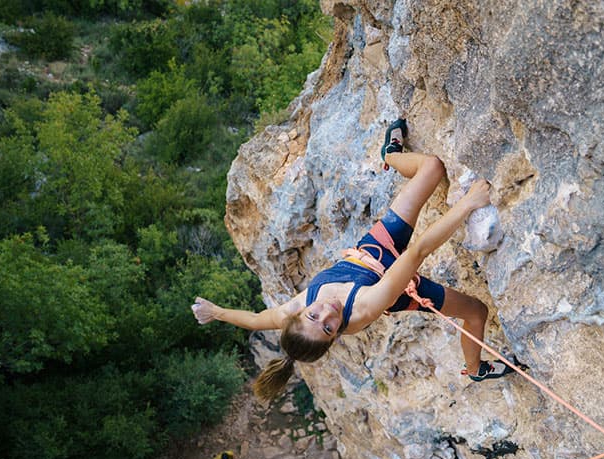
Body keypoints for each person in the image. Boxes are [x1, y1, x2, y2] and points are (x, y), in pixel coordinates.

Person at [192, 119, 512, 401]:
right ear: (335, 336)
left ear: (299, 312)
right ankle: (475, 368)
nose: (327, 313)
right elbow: (417, 252)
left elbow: (254, 319)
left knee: (432, 167)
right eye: (329, 327)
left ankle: (390, 154)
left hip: (373, 250)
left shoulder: (293, 310)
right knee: (476, 312)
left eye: (314, 315)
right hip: (396, 288)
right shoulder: (363, 309)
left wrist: (216, 312)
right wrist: (469, 203)